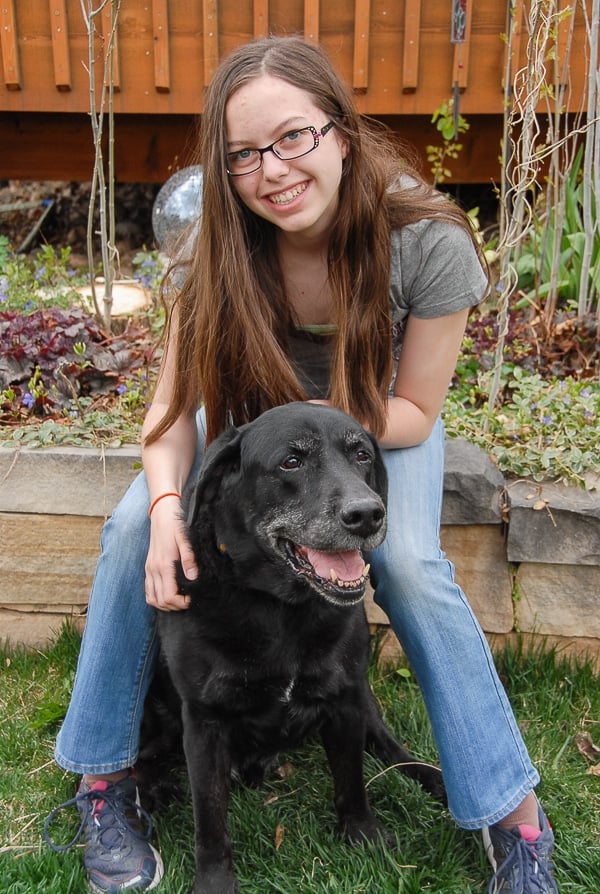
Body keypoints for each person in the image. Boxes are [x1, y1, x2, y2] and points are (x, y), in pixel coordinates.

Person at [44, 36, 559, 894]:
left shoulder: (427, 241)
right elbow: (173, 415)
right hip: (255, 422)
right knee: (137, 519)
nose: (270, 171)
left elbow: (417, 411)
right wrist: (170, 504)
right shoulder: (222, 243)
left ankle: (513, 816)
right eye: (243, 155)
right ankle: (105, 778)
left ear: (342, 132)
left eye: (293, 138)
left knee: (409, 563)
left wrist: (322, 432)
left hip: (375, 423)